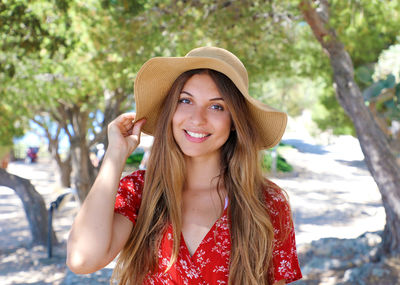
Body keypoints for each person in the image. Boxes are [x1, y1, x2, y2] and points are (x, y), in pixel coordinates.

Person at [67, 47, 302, 285]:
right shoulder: (140, 192)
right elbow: (82, 260)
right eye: (185, 100)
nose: (197, 118)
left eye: (217, 106)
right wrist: (115, 154)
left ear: (234, 122)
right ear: (171, 110)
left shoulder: (266, 201)